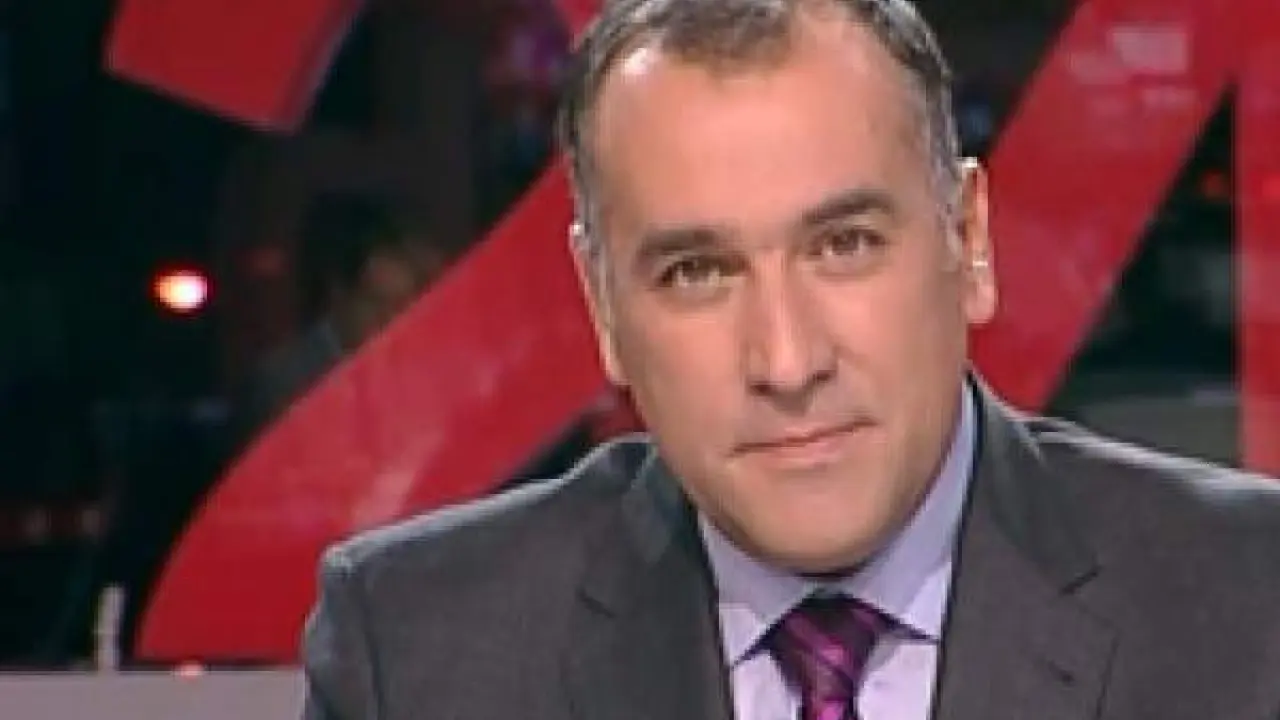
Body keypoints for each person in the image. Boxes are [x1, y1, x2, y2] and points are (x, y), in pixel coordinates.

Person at [300, 0, 1280, 718]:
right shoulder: (419, 656)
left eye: (844, 244)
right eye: (696, 272)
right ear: (603, 307)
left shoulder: (1251, 606)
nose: (785, 358)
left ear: (968, 239)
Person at [231, 194, 446, 448]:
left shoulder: (424, 374)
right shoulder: (286, 382)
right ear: (339, 295)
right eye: (378, 305)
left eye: (403, 307)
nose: (393, 324)